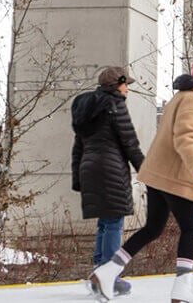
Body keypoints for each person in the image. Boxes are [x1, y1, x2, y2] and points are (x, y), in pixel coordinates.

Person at [89, 50, 193, 303]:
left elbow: (192, 140)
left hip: (159, 175)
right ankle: (182, 288)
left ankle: (107, 271)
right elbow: (185, 138)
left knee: (153, 228)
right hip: (175, 177)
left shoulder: (180, 98)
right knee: (191, 228)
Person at [71, 66, 145, 298]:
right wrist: (146, 172)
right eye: (126, 85)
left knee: (105, 222)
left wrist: (77, 177)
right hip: (110, 168)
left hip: (89, 168)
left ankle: (98, 273)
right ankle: (109, 277)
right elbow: (130, 143)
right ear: (116, 85)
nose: (127, 90)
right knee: (114, 222)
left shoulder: (86, 110)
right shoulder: (115, 105)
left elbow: (78, 147)